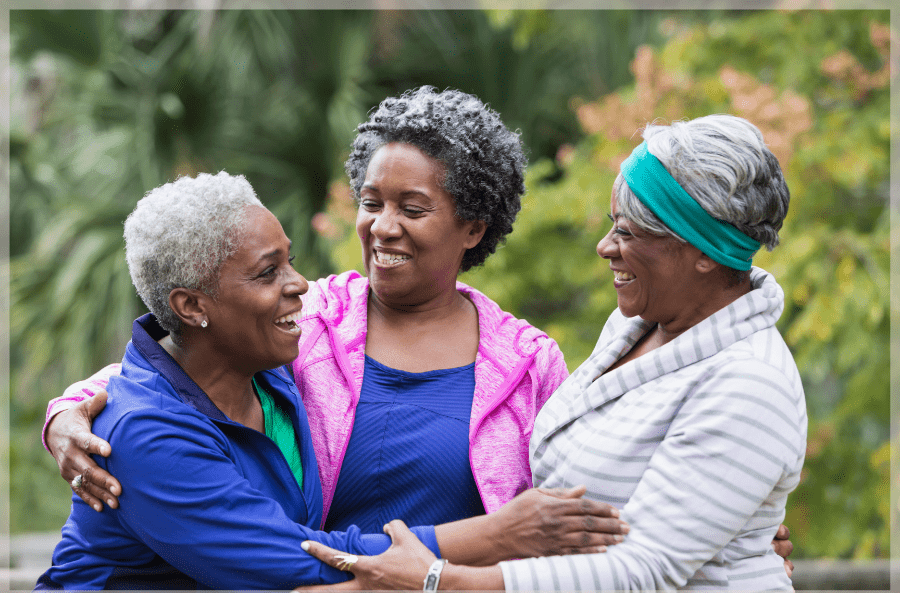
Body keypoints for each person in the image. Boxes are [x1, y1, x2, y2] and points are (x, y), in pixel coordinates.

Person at [33, 172, 625, 591]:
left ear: (473, 227)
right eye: (270, 272)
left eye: (413, 209)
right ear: (192, 305)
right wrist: (496, 536)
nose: (298, 284)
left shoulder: (280, 367)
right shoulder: (146, 433)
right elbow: (293, 559)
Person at [296, 114, 807, 593]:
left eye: (629, 232)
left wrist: (433, 579)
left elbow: (645, 571)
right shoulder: (633, 328)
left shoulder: (750, 382)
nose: (605, 246)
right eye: (613, 224)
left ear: (703, 251)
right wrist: (727, 525)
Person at [42, 87, 569, 530]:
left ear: (473, 227)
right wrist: (66, 414)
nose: (383, 226)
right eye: (370, 203)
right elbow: (173, 368)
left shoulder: (528, 364)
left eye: (412, 209)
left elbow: (558, 516)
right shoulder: (312, 317)